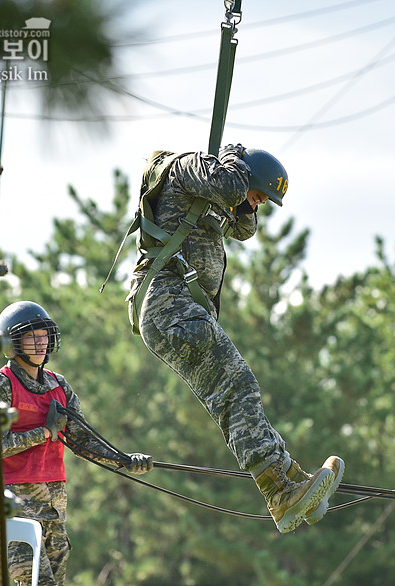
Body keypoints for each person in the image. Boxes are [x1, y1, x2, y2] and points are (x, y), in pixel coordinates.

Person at [125, 145, 344, 534]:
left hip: (175, 310)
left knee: (232, 393)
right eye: (258, 196)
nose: (257, 206)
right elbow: (229, 184)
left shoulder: (213, 193)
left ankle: (288, 477)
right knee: (238, 386)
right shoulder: (189, 167)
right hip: (168, 303)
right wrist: (232, 160)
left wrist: (244, 200)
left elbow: (244, 228)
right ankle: (279, 489)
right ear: (244, 173)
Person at [0, 301, 154, 586]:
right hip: (14, 507)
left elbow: (82, 440)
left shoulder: (58, 385)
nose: (41, 342)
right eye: (32, 336)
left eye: (44, 335)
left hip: (54, 508)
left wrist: (124, 460)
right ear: (12, 343)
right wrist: (45, 432)